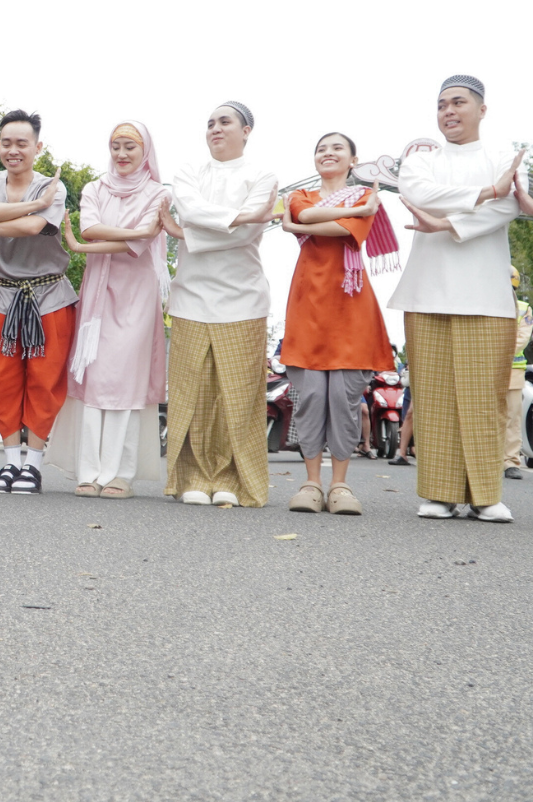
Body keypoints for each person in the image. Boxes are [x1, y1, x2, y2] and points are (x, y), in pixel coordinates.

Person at [389, 76, 521, 522]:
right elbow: (419, 194)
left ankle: (486, 495)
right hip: (427, 290)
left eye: (458, 102)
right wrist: (486, 192)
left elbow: (512, 206)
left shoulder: (503, 155)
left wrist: (449, 225)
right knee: (433, 396)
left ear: (482, 109)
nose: (448, 111)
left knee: (485, 396)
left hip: (485, 292)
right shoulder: (421, 159)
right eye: (442, 104)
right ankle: (440, 492)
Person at [158, 102, 278, 507]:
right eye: (210, 123)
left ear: (246, 131)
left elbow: (246, 235)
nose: (215, 129)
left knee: (237, 395)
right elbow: (191, 208)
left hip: (242, 299)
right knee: (193, 392)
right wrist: (240, 218)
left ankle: (231, 478)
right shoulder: (189, 173)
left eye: (225, 121)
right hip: (191, 295)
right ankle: (191, 477)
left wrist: (186, 233)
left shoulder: (262, 175)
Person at [47, 121, 168, 499]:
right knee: (95, 378)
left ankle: (120, 475)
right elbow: (91, 228)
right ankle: (89, 471)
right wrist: (127, 233)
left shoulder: (159, 193)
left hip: (136, 296)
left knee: (126, 383)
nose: (121, 154)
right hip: (98, 295)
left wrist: (92, 243)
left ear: (144, 150)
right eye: (115, 146)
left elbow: (143, 238)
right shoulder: (94, 188)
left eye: (130, 146)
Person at [278, 132, 397, 515]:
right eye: (320, 149)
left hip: (351, 307)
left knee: (343, 399)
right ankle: (312, 483)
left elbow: (343, 231)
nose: (327, 153)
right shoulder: (304, 197)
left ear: (352, 159)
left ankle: (341, 485)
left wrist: (301, 228)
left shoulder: (364, 197)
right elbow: (309, 216)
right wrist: (316, 220)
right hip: (309, 303)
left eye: (336, 148)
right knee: (311, 397)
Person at [0, 110, 77, 495]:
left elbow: (34, 228)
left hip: (49, 296)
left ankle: (34, 465)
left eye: (21, 143)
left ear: (37, 147)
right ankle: (11, 462)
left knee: (45, 380)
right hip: (5, 294)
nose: (13, 150)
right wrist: (25, 207)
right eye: (6, 143)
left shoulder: (53, 186)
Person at [504, 266, 532, 480]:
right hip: (485, 370)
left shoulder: (523, 308)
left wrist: (496, 353)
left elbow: (522, 338)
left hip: (513, 370)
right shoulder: (487, 306)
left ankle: (511, 461)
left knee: (512, 417)